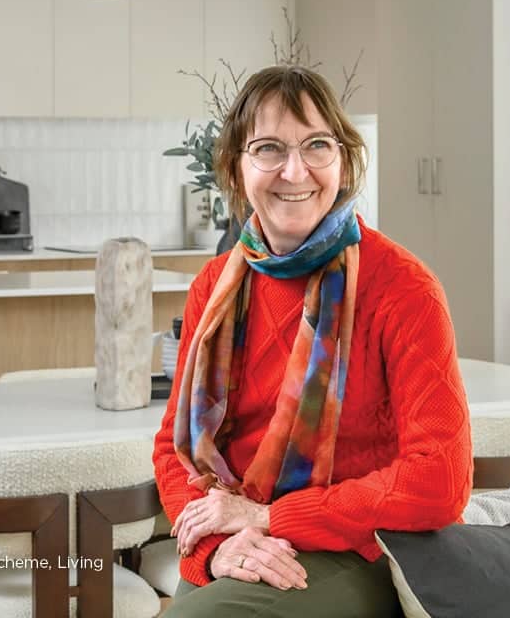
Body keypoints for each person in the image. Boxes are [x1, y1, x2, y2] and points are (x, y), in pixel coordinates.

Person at [154, 65, 471, 617]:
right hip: (242, 540)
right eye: (269, 148)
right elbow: (173, 449)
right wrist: (214, 546)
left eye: (316, 145)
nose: (294, 170)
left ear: (343, 160)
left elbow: (440, 478)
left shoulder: (402, 287)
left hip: (377, 549)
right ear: (236, 167)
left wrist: (269, 517)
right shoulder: (214, 287)